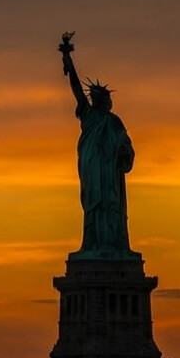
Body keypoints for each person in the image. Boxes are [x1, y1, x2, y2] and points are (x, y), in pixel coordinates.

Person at [59, 34, 139, 258]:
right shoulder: (88, 114)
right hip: (93, 169)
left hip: (111, 174)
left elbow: (127, 149)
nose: (103, 102)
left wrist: (124, 151)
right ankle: (93, 245)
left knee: (112, 207)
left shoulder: (114, 122)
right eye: (98, 99)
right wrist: (68, 60)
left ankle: (115, 246)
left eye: (104, 99)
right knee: (94, 206)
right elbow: (75, 88)